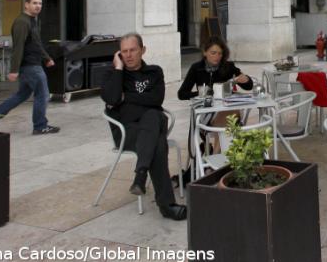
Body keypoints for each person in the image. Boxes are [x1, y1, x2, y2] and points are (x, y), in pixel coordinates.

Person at [102, 33, 187, 221]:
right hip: (127, 133)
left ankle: (141, 175)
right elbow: (113, 98)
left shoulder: (154, 72)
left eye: (133, 50)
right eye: (124, 51)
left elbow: (157, 99)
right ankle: (166, 205)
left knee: (152, 116)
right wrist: (118, 69)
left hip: (150, 125)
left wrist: (128, 99)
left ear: (143, 50)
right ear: (119, 54)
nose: (129, 55)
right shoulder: (111, 74)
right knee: (157, 140)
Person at [0, 0, 60, 134]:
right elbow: (19, 46)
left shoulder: (31, 21)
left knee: (21, 95)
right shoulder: (22, 22)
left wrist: (47, 58)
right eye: (35, 3)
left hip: (33, 63)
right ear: (26, 4)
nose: (38, 6)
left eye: (40, 3)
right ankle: (40, 126)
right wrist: (14, 69)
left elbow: (36, 43)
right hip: (30, 66)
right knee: (43, 95)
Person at [178, 36, 254, 155]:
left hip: (226, 110)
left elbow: (249, 86)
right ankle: (220, 160)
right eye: (213, 53)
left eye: (220, 53)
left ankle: (215, 159)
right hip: (205, 114)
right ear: (205, 52)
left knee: (230, 115)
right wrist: (202, 92)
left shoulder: (228, 67)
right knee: (230, 122)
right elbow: (181, 94)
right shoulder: (196, 68)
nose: (217, 57)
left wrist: (246, 80)